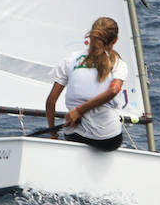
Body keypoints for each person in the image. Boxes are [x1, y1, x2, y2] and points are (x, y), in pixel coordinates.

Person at [45, 17, 129, 152]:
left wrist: (53, 134)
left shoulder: (70, 60)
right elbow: (114, 90)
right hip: (107, 139)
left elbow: (50, 102)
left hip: (74, 135)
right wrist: (79, 111)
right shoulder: (119, 64)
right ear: (115, 40)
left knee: (73, 136)